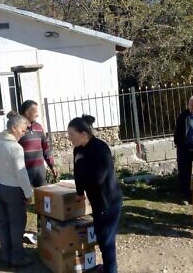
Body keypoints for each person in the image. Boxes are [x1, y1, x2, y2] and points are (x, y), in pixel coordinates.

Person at [68, 115, 123, 273]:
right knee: (101, 235)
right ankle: (107, 267)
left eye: (72, 135)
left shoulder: (100, 148)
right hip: (97, 201)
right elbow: (78, 173)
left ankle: (110, 270)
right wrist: (79, 192)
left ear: (83, 134)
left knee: (106, 239)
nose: (70, 139)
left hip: (109, 200)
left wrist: (83, 166)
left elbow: (98, 177)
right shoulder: (78, 149)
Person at [0, 112, 33, 267]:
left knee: (3, 223)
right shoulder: (15, 148)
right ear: (13, 128)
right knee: (17, 224)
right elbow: (21, 173)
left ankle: (5, 255)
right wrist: (28, 193)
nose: (24, 134)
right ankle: (17, 257)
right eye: (23, 130)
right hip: (13, 190)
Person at [19, 100, 58, 235]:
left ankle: (42, 229)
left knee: (43, 202)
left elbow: (46, 148)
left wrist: (52, 165)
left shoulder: (39, 127)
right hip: (23, 173)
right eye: (35, 111)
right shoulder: (18, 129)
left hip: (39, 171)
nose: (37, 114)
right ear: (26, 112)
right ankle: (19, 230)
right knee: (23, 202)